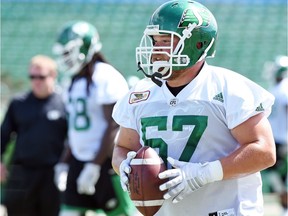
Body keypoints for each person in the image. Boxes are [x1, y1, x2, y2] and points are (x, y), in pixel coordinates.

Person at [111, 1, 277, 215]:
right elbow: (122, 148)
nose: (156, 50)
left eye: (167, 41)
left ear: (197, 43)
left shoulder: (228, 88)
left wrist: (203, 173)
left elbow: (264, 152)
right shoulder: (140, 94)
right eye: (156, 41)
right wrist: (124, 166)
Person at [52, 20, 138, 216]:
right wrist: (64, 161)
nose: (65, 59)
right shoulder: (73, 82)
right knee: (68, 212)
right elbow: (76, 129)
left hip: (106, 161)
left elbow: (115, 124)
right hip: (80, 160)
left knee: (121, 214)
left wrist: (94, 165)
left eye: (68, 52)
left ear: (84, 47)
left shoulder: (105, 76)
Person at [0, 55, 68, 216]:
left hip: (52, 175)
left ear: (53, 76)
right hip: (22, 172)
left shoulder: (64, 103)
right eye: (32, 77)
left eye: (41, 77)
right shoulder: (19, 103)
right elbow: (3, 135)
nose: (36, 81)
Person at [265, 55, 288, 214]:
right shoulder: (279, 87)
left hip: (283, 139)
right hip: (278, 138)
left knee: (280, 176)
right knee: (277, 176)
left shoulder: (284, 88)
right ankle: (284, 206)